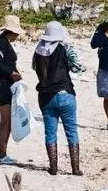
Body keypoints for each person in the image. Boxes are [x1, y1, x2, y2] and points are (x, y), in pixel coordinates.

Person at [31, 21, 85, 176]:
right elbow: (77, 67)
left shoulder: (38, 50)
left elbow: (34, 67)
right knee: (71, 131)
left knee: (50, 133)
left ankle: (53, 167)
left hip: (45, 96)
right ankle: (75, 168)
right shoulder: (65, 48)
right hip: (65, 93)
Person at [0, 14, 25, 165]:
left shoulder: (4, 43)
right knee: (6, 121)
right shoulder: (1, 42)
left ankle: (3, 154)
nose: (18, 36)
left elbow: (7, 63)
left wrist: (16, 74)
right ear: (12, 31)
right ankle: (2, 155)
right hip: (0, 84)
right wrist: (11, 74)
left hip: (3, 83)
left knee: (6, 120)